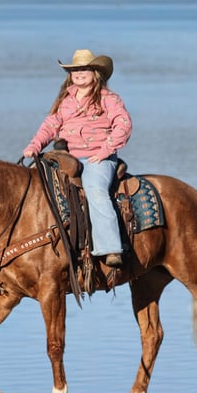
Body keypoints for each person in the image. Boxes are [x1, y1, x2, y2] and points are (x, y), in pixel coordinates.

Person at [23, 49, 132, 268]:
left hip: (97, 158)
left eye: (84, 69)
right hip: (68, 157)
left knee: (95, 189)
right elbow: (51, 125)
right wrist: (35, 146)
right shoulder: (66, 100)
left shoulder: (108, 98)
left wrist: (104, 151)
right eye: (75, 70)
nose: (79, 73)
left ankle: (110, 247)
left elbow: (123, 124)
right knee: (36, 185)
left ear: (96, 73)